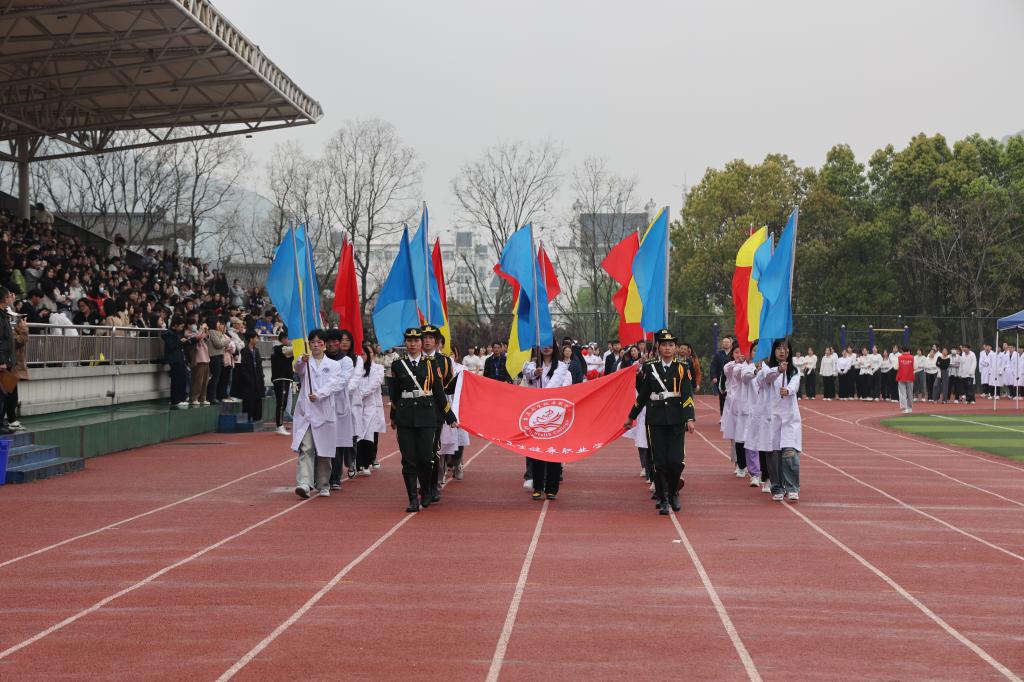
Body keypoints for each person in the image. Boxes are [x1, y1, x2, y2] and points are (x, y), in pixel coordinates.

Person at [623, 329, 696, 516]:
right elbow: (644, 395)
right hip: (655, 419)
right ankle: (663, 498)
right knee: (659, 462)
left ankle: (673, 492)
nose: (667, 348)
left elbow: (687, 395)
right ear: (658, 346)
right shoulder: (650, 367)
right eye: (664, 345)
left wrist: (689, 418)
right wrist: (631, 416)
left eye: (671, 345)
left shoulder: (682, 367)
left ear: (676, 348)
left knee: (676, 461)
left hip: (676, 418)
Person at [389, 327, 457, 513]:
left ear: (421, 344)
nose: (413, 344)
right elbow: (394, 394)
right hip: (405, 417)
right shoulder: (398, 365)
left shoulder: (431, 364)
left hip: (427, 416)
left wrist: (449, 415)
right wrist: (393, 417)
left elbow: (439, 392)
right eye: (409, 341)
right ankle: (412, 499)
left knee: (426, 459)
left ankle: (427, 489)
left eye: (416, 341)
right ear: (405, 343)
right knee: (408, 460)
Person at [291, 329, 345, 499]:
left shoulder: (334, 365)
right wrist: (301, 359)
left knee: (324, 451)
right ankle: (304, 484)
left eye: (319, 342)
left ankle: (323, 483)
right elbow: (297, 369)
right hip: (307, 413)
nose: (316, 345)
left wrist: (319, 394)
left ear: (324, 345)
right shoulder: (305, 363)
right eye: (313, 342)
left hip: (324, 411)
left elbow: (335, 384)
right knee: (306, 448)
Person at [522, 344, 571, 500]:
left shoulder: (562, 366)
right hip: (536, 415)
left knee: (552, 451)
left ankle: (552, 488)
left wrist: (544, 396)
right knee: (536, 451)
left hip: (555, 415)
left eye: (550, 346)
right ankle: (537, 486)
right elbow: (526, 374)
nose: (547, 348)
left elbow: (555, 384)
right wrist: (534, 374)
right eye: (543, 346)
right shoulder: (532, 364)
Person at [762, 339, 802, 502]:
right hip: (772, 418)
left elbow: (795, 384)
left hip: (789, 418)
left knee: (789, 453)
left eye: (785, 348)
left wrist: (789, 390)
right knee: (773, 456)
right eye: (778, 348)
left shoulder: (794, 370)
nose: (782, 351)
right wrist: (778, 370)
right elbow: (768, 378)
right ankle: (777, 487)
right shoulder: (767, 369)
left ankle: (792, 487)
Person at [324, 329, 357, 488]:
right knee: (322, 442)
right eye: (328, 341)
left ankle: (335, 478)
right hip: (321, 406)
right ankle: (321, 476)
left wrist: (322, 390)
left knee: (337, 444)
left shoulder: (346, 361)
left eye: (334, 341)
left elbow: (342, 381)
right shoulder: (319, 359)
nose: (331, 344)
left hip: (338, 406)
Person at [350, 341, 386, 476]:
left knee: (369, 435)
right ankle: (357, 463)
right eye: (361, 354)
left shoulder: (378, 369)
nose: (363, 356)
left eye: (365, 354)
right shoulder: (356, 370)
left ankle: (367, 463)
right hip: (357, 407)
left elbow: (374, 385)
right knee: (357, 435)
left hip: (371, 407)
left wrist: (359, 394)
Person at [235, 330, 266, 423]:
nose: (258, 339)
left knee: (257, 401)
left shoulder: (256, 351)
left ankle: (257, 419)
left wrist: (261, 378)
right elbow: (242, 368)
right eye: (256, 338)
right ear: (251, 339)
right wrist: (248, 379)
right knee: (248, 402)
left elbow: (259, 366)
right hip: (248, 382)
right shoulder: (244, 351)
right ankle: (246, 420)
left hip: (257, 381)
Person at [162, 316, 190, 408]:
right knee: (176, 380)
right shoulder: (167, 333)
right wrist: (180, 342)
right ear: (175, 325)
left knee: (182, 378)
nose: (182, 328)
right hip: (174, 360)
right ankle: (175, 400)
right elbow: (171, 346)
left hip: (180, 358)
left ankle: (181, 398)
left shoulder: (178, 334)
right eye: (181, 326)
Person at [270, 332, 293, 435]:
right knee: (281, 403)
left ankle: (279, 425)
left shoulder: (283, 349)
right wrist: (300, 344)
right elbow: (289, 351)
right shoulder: (279, 348)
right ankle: (280, 426)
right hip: (281, 378)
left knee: (282, 403)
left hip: (285, 378)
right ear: (283, 339)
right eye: (289, 338)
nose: (290, 341)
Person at [709, 336, 732, 416]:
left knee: (731, 398)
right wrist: (714, 376)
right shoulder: (718, 355)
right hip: (721, 380)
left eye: (727, 342)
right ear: (722, 344)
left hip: (731, 380)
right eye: (724, 342)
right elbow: (713, 366)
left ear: (730, 343)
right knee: (722, 398)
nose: (726, 343)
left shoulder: (733, 354)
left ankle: (730, 416)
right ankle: (723, 416)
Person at [895, 345, 915, 413]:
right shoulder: (912, 357)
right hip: (910, 377)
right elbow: (915, 367)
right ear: (908, 350)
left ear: (902, 351)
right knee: (910, 393)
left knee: (902, 393)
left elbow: (895, 367)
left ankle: (904, 408)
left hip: (901, 377)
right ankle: (910, 408)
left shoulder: (899, 358)